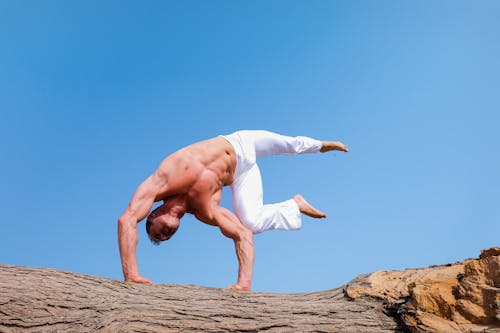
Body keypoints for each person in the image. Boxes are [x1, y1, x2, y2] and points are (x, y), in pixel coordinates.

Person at [118, 130, 348, 291]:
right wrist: (243, 284)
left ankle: (321, 146)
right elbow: (242, 234)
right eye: (164, 239)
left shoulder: (163, 181)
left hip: (240, 143)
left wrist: (131, 275)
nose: (164, 237)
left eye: (156, 233)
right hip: (241, 174)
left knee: (289, 145)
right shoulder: (205, 210)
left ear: (152, 215)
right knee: (251, 223)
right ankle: (293, 205)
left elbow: (127, 219)